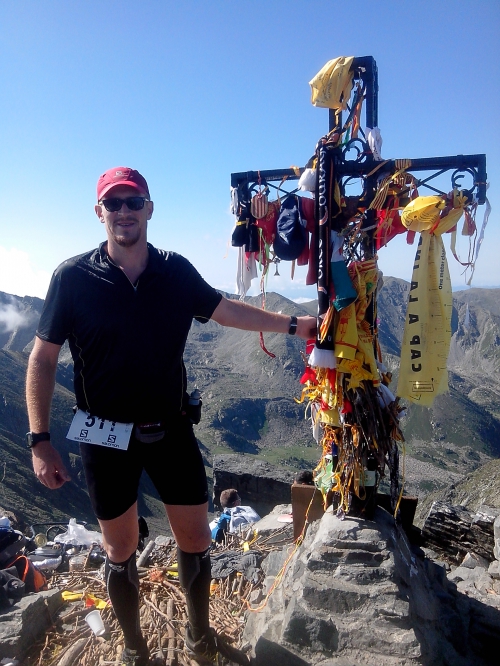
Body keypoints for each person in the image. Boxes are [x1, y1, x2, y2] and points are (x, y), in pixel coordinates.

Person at [25, 167, 316, 666]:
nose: (123, 212)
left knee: (197, 536)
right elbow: (42, 359)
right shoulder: (71, 278)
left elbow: (225, 310)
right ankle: (135, 647)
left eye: (132, 201)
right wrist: (39, 440)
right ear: (100, 213)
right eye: (113, 203)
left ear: (149, 209)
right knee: (121, 548)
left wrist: (295, 324)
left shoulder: (174, 271)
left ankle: (200, 636)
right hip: (103, 433)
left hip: (170, 424)